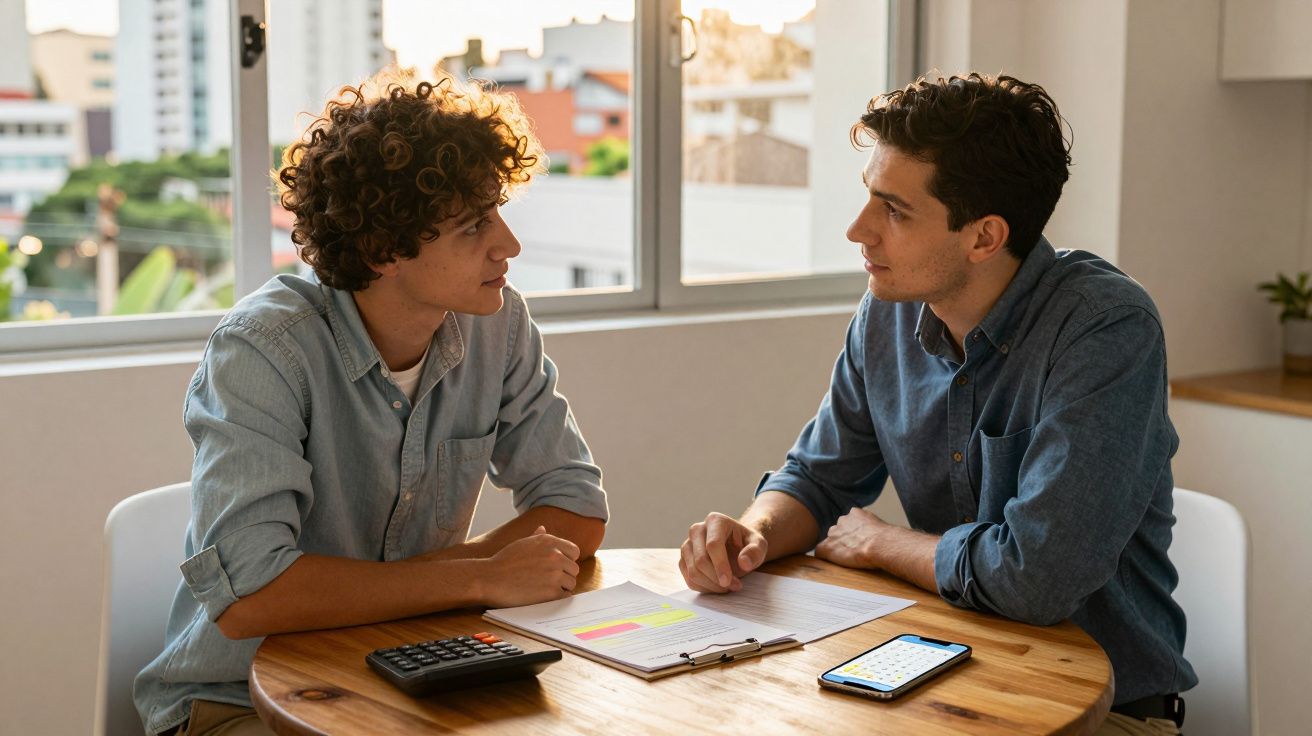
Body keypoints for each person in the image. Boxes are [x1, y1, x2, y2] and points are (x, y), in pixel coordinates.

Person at [678, 73, 1195, 735]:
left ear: (983, 237)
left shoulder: (1104, 329)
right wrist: (755, 534)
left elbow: (1034, 579)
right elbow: (816, 478)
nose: (858, 230)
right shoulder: (889, 311)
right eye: (869, 197)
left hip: (1104, 714)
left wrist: (881, 543)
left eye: (894, 211)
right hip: (943, 691)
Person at [134, 69, 609, 735]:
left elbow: (577, 508)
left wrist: (477, 576)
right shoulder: (265, 350)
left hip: (412, 679)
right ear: (384, 249)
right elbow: (250, 594)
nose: (510, 245)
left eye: (498, 212)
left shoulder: (498, 325)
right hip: (237, 704)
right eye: (474, 226)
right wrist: (479, 576)